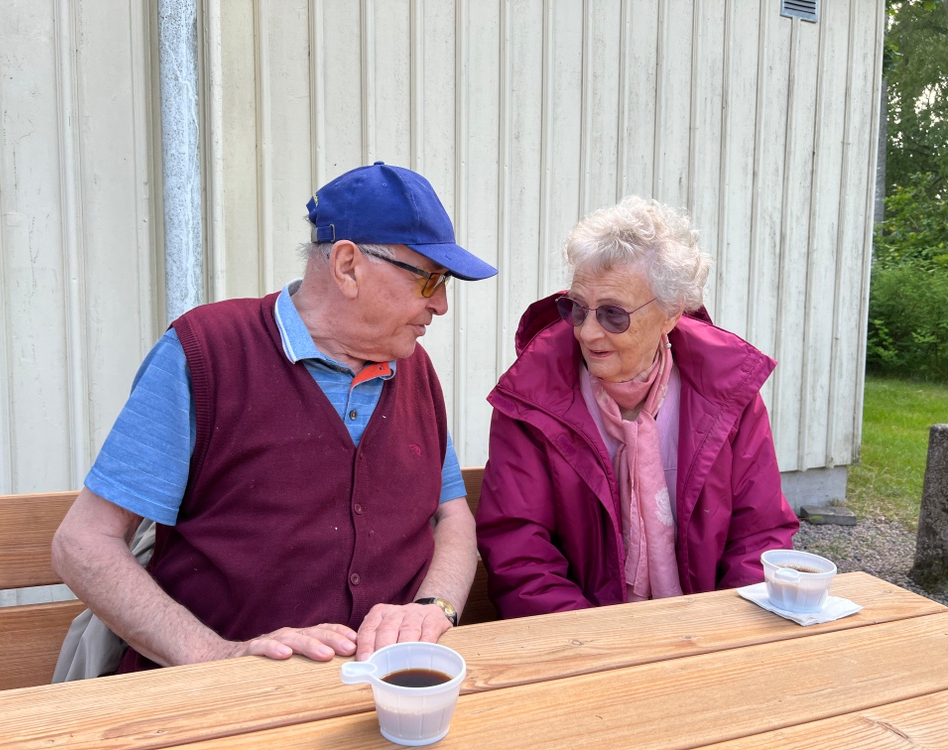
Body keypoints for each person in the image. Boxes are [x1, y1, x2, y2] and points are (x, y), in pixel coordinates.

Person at [52, 162, 497, 673]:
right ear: (348, 265)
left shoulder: (414, 371)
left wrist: (432, 608)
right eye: (429, 280)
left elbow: (452, 515)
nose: (441, 305)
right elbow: (82, 543)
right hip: (222, 706)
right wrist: (216, 656)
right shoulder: (206, 353)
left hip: (387, 690)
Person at [475, 196, 798, 619]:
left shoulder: (729, 393)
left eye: (613, 315)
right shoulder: (531, 399)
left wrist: (723, 633)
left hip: (708, 633)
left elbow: (760, 535)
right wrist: (602, 647)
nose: (588, 333)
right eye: (576, 308)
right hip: (582, 640)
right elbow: (520, 552)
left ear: (670, 314)